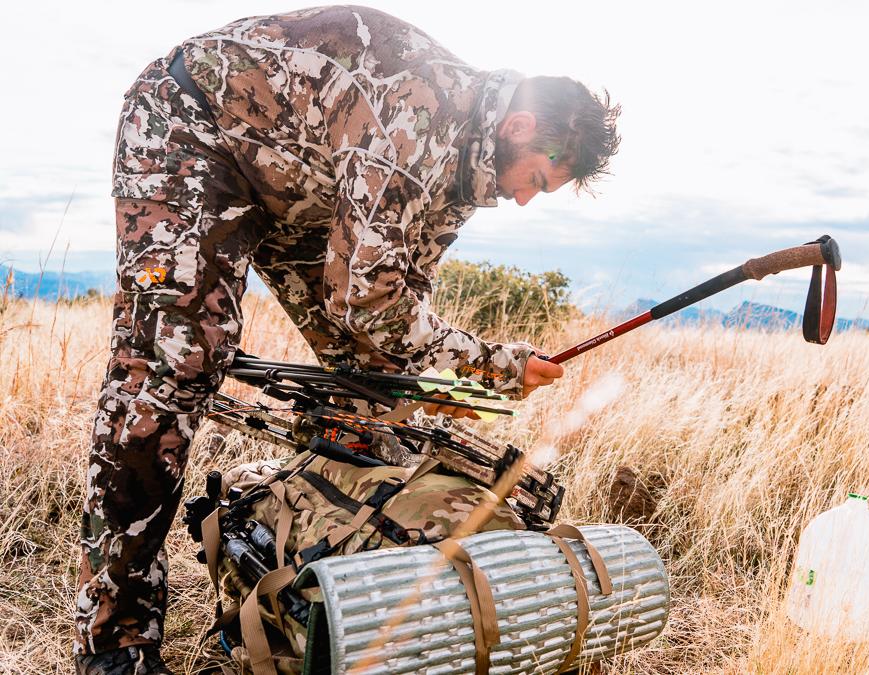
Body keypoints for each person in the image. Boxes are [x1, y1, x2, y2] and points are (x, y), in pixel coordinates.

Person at [75, 6, 621, 674]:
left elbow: (392, 323)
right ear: (520, 127)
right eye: (537, 178)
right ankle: (114, 637)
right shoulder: (421, 116)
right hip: (192, 128)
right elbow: (374, 302)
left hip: (298, 187)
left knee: (375, 380)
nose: (528, 199)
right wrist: (496, 366)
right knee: (174, 360)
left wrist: (444, 382)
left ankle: (333, 574)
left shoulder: (464, 171)